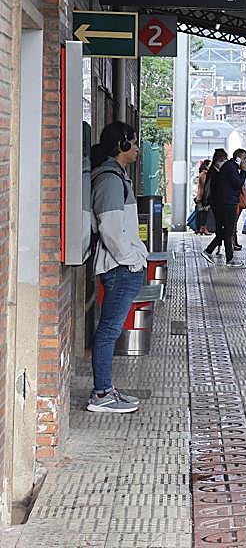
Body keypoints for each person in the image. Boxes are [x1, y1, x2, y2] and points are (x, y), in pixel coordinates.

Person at [87, 121, 149, 413]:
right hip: (119, 267)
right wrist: (133, 259)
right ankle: (101, 394)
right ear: (121, 145)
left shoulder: (116, 176)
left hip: (122, 266)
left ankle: (107, 389)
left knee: (110, 329)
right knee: (109, 331)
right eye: (133, 142)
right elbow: (111, 228)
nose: (137, 148)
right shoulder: (110, 180)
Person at [202, 149, 244, 266]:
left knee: (223, 232)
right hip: (226, 203)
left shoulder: (215, 170)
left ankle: (210, 251)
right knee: (228, 231)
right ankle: (227, 258)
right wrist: (243, 172)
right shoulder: (228, 168)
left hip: (218, 204)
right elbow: (238, 183)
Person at [194, 159, 213, 235]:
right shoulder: (204, 174)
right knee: (203, 213)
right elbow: (206, 185)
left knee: (202, 213)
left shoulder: (203, 174)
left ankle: (201, 228)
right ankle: (202, 228)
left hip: (202, 195)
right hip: (203, 196)